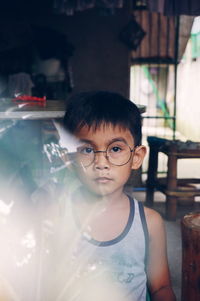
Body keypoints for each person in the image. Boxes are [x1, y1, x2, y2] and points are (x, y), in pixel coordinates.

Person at [60, 91, 176, 301]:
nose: (101, 163)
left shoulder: (149, 223)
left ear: (136, 157)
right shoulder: (56, 215)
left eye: (115, 148)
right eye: (87, 150)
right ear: (68, 159)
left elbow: (161, 287)